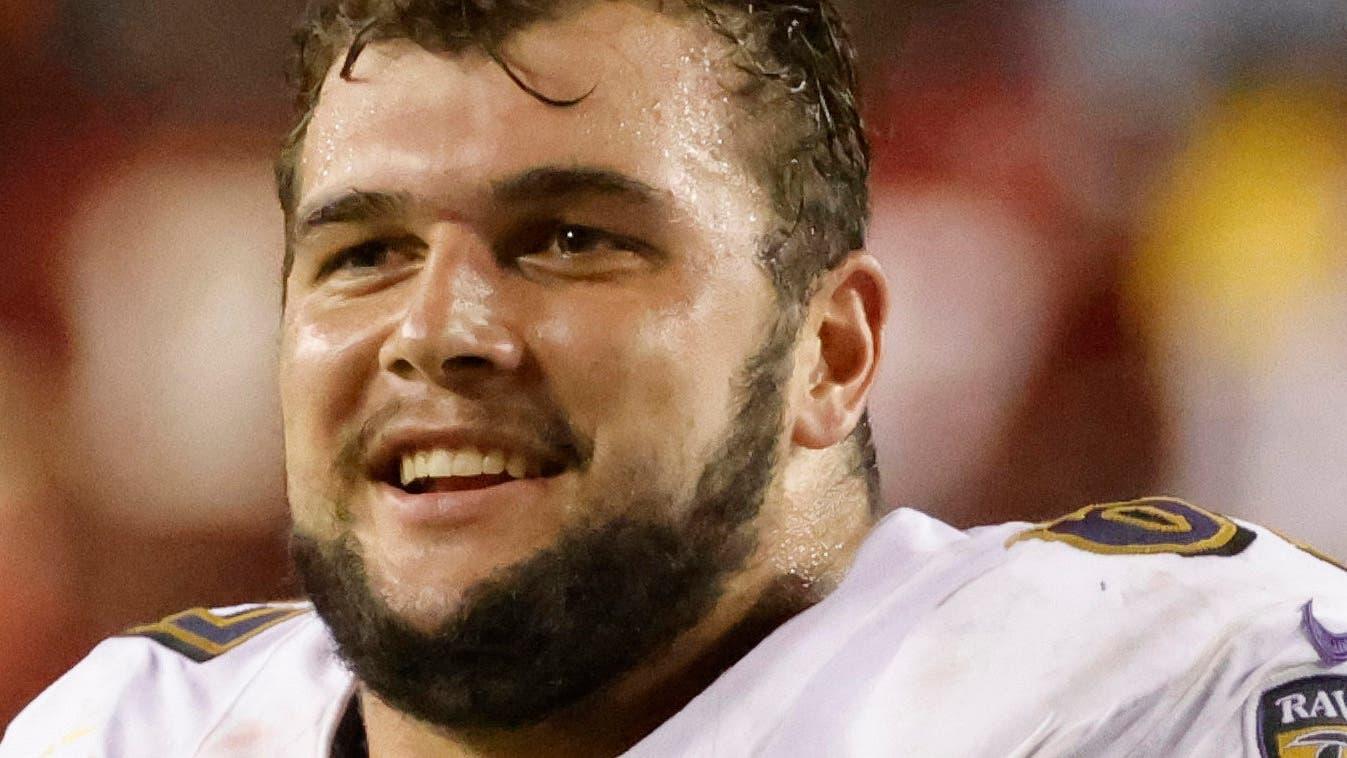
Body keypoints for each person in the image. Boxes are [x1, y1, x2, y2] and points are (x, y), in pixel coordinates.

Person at [6, 1, 1347, 755]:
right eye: (363, 252)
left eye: (572, 239)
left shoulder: (1142, 694)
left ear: (833, 354)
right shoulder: (131, 735)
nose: (439, 325)